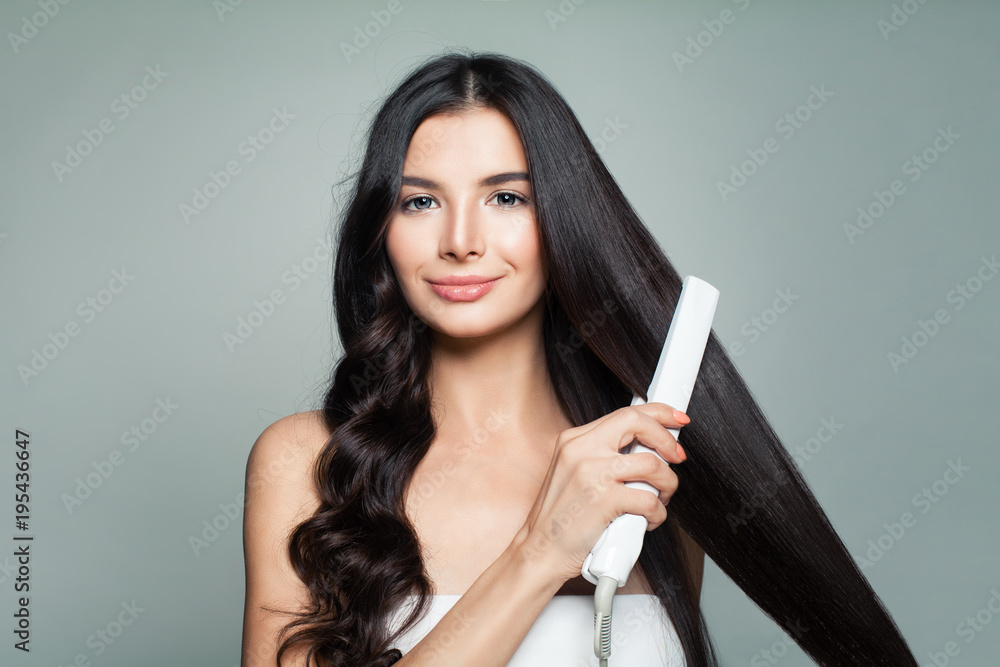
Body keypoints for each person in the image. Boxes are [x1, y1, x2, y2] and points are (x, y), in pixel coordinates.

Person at [241, 50, 918, 666]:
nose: (461, 240)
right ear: (381, 229)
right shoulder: (304, 461)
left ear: (562, 220)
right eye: (420, 201)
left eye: (506, 197)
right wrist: (540, 549)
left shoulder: (645, 469)